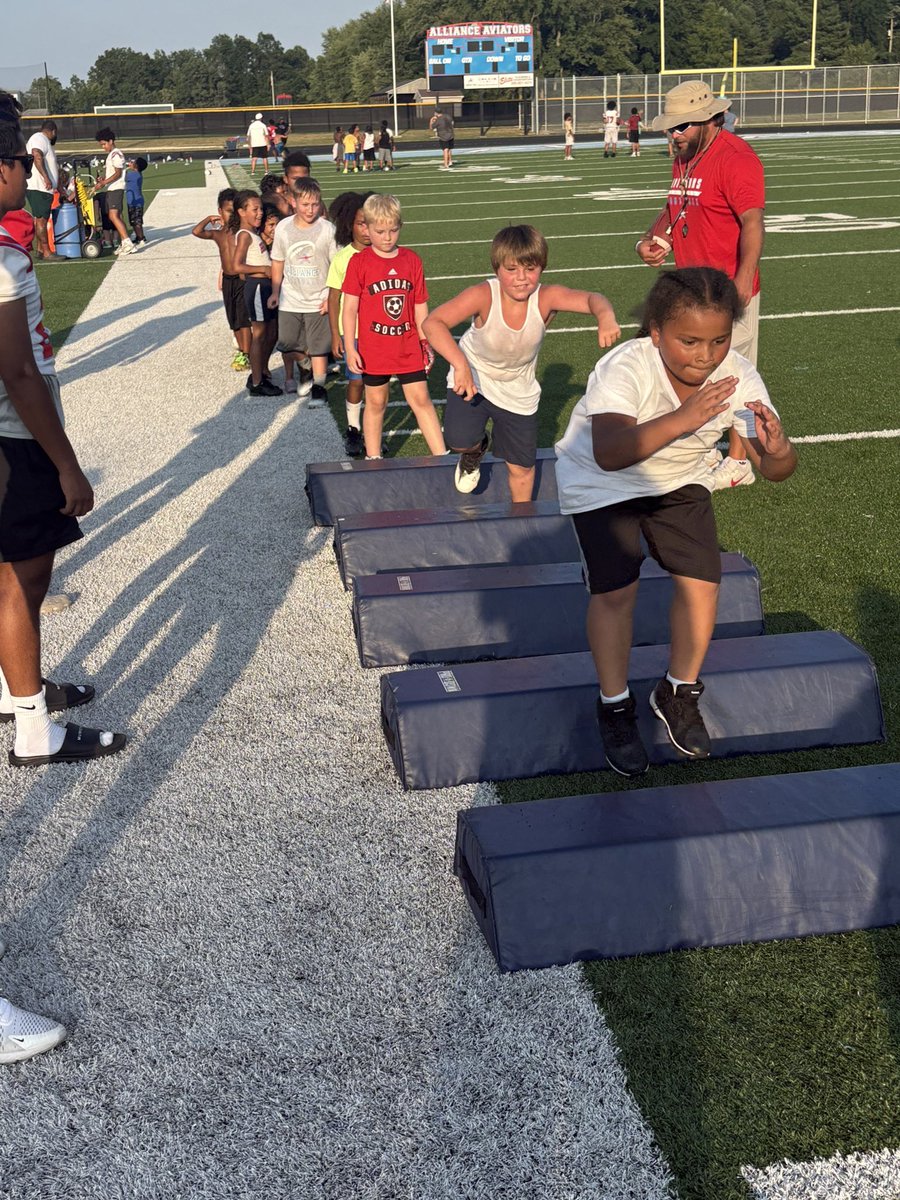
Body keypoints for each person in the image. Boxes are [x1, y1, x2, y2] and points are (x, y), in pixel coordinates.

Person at [554, 267, 796, 777]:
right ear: (657, 332)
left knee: (702, 585)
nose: (705, 356)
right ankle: (615, 703)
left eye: (719, 340)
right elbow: (611, 452)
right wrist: (686, 418)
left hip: (679, 479)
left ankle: (678, 691)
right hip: (602, 482)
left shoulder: (737, 375)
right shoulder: (627, 366)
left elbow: (775, 470)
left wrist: (778, 448)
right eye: (689, 341)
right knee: (617, 591)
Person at [0, 90, 128, 769]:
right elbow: (19, 375)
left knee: (14, 577)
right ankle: (32, 728)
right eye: (21, 161)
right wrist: (69, 465)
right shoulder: (2, 256)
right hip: (14, 441)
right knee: (23, 580)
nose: (29, 173)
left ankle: (15, 686)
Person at [424, 224, 620, 500]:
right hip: (474, 377)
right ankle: (476, 450)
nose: (521, 278)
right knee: (458, 441)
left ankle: (522, 517)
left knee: (521, 468)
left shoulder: (546, 298)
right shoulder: (483, 294)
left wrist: (605, 316)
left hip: (518, 389)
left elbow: (592, 298)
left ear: (542, 268)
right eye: (512, 269)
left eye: (530, 269)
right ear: (496, 269)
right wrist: (460, 364)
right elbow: (433, 322)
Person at [637, 80, 766, 489]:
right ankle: (707, 448)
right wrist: (654, 238)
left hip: (726, 290)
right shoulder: (685, 155)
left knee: (732, 373)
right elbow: (677, 201)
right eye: (671, 127)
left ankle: (740, 460)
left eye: (681, 127)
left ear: (710, 119)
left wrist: (743, 279)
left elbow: (752, 221)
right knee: (685, 369)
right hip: (689, 288)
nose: (673, 134)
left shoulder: (736, 158)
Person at [341, 193, 446, 459]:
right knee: (376, 403)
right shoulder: (359, 262)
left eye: (393, 230)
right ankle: (373, 458)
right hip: (373, 349)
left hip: (407, 346)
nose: (387, 237)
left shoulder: (412, 260)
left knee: (421, 400)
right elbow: (349, 307)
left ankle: (442, 456)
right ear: (366, 228)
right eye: (380, 231)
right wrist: (350, 348)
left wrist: (424, 342)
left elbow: (420, 304)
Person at [268, 177, 336, 407]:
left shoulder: (327, 229)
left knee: (319, 347)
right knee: (287, 342)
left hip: (319, 298)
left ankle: (318, 387)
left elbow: (336, 267)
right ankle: (305, 367)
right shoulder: (283, 227)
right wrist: (275, 291)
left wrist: (330, 298)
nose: (310, 209)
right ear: (293, 201)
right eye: (305, 204)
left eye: (315, 204)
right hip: (291, 297)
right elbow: (277, 261)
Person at [326, 191, 372, 456]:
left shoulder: (382, 254)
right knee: (356, 381)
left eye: (370, 223)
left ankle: (372, 430)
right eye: (360, 224)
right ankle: (354, 429)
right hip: (352, 334)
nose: (366, 230)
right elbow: (334, 299)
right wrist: (335, 335)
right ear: (349, 226)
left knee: (377, 385)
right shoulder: (343, 258)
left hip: (377, 333)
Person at [192, 188, 251, 372]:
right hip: (228, 280)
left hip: (242, 279)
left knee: (244, 320)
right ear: (220, 211)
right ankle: (241, 349)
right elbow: (196, 231)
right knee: (233, 318)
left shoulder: (242, 232)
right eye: (227, 211)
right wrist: (209, 219)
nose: (231, 215)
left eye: (234, 211)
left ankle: (246, 353)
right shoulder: (218, 233)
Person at [230, 189, 281, 397]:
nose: (259, 213)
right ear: (241, 212)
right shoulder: (244, 235)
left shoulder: (252, 233)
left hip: (266, 286)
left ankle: (262, 370)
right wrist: (263, 270)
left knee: (272, 331)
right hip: (258, 287)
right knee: (259, 334)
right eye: (255, 209)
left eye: (260, 208)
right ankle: (257, 381)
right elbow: (237, 266)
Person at [24, 120, 63, 262]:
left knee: (41, 218)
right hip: (39, 187)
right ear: (53, 131)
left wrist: (59, 188)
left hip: (43, 188)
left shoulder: (42, 140)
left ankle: (40, 250)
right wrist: (46, 178)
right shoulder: (39, 138)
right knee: (41, 220)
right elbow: (36, 155)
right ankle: (47, 252)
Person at [94, 127, 134, 255]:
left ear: (111, 141)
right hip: (112, 188)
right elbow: (112, 173)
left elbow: (118, 173)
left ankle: (127, 242)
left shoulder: (116, 154)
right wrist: (103, 179)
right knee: (114, 215)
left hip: (116, 188)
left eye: (104, 144)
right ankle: (124, 241)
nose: (103, 147)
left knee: (113, 215)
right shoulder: (111, 155)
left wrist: (103, 183)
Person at [126, 156, 148, 247]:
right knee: (134, 221)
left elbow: (122, 177)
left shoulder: (133, 175)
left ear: (136, 166)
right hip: (132, 200)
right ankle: (139, 236)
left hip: (135, 202)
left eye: (133, 162)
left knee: (137, 221)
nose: (131, 163)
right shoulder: (136, 174)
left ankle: (141, 237)